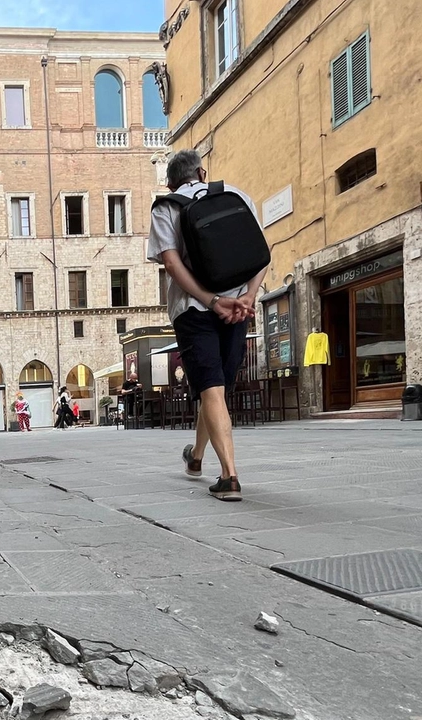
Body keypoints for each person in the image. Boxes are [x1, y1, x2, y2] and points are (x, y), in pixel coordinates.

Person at [148, 149, 268, 501]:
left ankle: (229, 477)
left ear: (171, 183)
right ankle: (196, 457)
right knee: (214, 389)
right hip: (237, 308)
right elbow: (262, 252)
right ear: (202, 172)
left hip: (193, 309)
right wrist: (247, 296)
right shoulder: (235, 194)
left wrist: (210, 301)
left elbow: (171, 264)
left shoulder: (166, 206)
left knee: (211, 389)